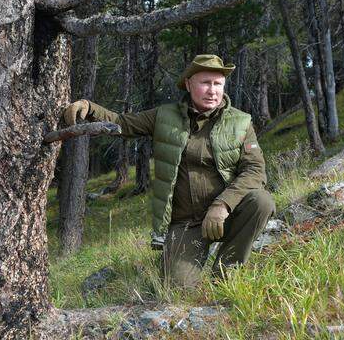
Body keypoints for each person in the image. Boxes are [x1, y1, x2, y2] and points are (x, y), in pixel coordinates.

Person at [63, 54, 275, 287]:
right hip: (186, 222)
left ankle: (226, 276)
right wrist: (89, 108)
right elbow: (123, 123)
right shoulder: (164, 116)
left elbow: (255, 170)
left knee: (261, 201)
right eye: (205, 83)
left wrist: (223, 204)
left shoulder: (241, 122)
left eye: (217, 84)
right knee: (178, 289)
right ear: (188, 84)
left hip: (227, 215)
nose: (212, 90)